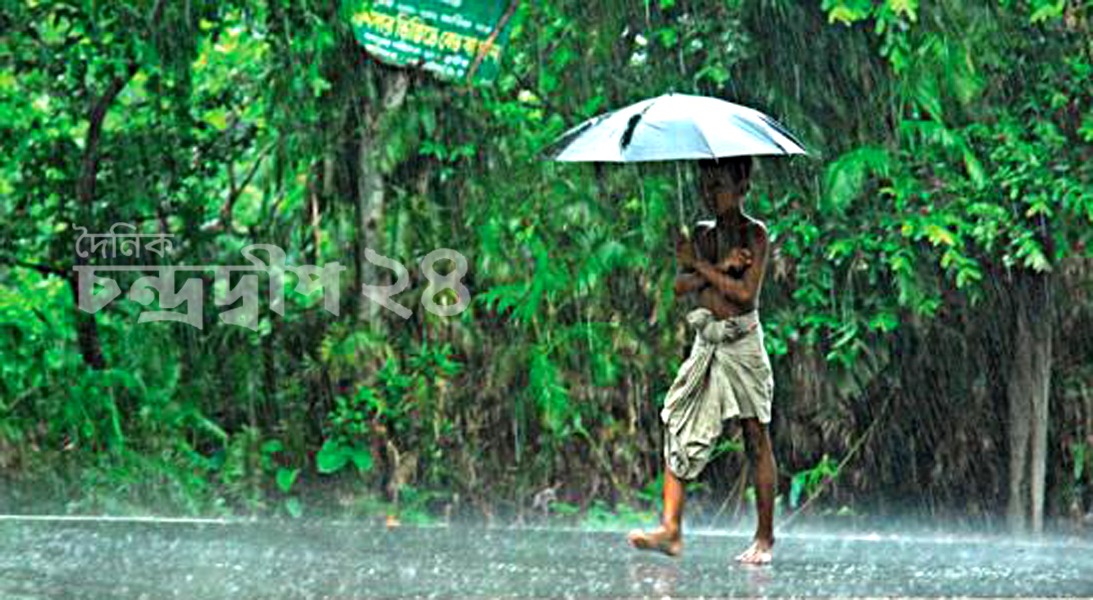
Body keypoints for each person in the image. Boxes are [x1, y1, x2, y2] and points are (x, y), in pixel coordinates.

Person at [627, 155, 778, 565]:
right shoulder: (702, 233)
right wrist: (712, 267)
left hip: (742, 342)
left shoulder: (755, 235)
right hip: (707, 341)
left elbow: (745, 295)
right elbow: (680, 286)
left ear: (742, 186)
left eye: (719, 186)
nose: (709, 194)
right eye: (705, 185)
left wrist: (701, 266)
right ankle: (671, 529)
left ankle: (764, 537)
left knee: (755, 437)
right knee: (677, 420)